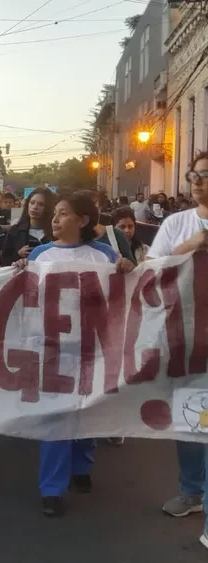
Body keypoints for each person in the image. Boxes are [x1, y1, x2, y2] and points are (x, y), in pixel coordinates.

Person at [13, 192, 134, 517]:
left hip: (92, 348)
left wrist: (128, 267)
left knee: (86, 411)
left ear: (82, 221)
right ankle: (51, 489)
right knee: (56, 418)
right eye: (55, 213)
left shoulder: (104, 255)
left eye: (63, 213)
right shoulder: (40, 254)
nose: (55, 218)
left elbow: (125, 288)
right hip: (52, 348)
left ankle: (81, 467)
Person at [150, 151, 208, 549]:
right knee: (192, 419)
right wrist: (193, 244)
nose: (198, 181)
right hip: (187, 337)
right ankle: (192, 491)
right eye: (194, 175)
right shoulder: (177, 223)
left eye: (206, 175)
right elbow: (152, 271)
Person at [0, 187, 55, 267]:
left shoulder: (55, 232)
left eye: (41, 204)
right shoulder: (15, 231)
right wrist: (18, 254)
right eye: (32, 203)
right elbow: (3, 261)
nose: (35, 207)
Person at [76, 190, 136, 265]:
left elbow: (132, 268)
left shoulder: (116, 235)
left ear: (100, 209)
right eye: (84, 210)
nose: (90, 214)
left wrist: (126, 264)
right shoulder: (67, 238)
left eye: (95, 209)